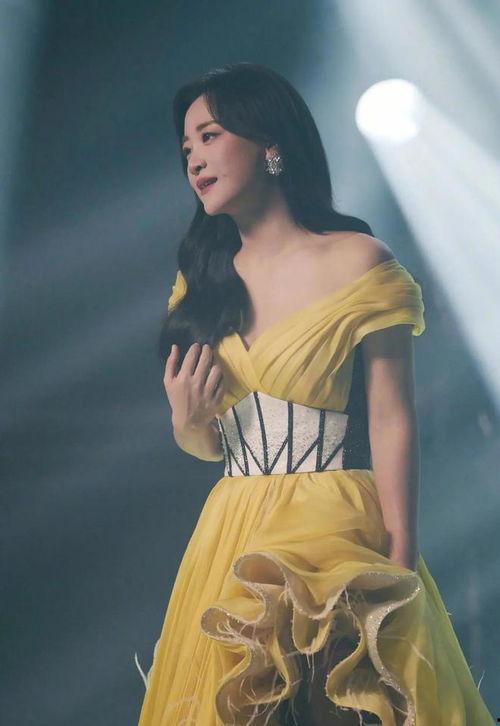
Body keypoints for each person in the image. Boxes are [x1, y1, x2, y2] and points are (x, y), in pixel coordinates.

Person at [138, 63, 493, 725]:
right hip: (233, 528)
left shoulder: (358, 261)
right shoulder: (200, 284)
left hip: (334, 521)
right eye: (186, 148)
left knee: (344, 702)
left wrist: (401, 553)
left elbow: (392, 418)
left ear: (269, 143)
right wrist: (186, 424)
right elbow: (208, 444)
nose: (194, 159)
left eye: (210, 136)